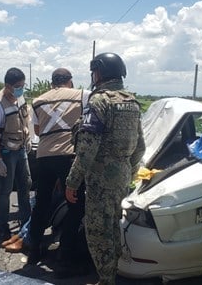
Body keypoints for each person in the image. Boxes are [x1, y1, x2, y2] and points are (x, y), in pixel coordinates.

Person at [65, 53, 146, 285]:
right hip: (121, 175)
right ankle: (111, 275)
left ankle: (106, 280)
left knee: (98, 232)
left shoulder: (99, 101)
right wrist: (128, 172)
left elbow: (87, 150)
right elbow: (140, 146)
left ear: (98, 72)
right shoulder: (131, 102)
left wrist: (72, 181)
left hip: (101, 177)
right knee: (114, 227)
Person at [25, 68, 91, 269]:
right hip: (68, 156)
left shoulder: (37, 101)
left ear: (52, 82)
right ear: (70, 81)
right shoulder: (83, 95)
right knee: (76, 205)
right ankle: (65, 253)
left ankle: (34, 249)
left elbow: (37, 130)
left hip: (44, 156)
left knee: (41, 204)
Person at [0, 67, 32, 241]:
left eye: (23, 85)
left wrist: (28, 139)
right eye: (18, 86)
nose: (20, 89)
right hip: (7, 152)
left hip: (21, 149)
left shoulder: (20, 98)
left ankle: (26, 224)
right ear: (7, 85)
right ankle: (2, 226)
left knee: (25, 186)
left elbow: (24, 120)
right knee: (5, 191)